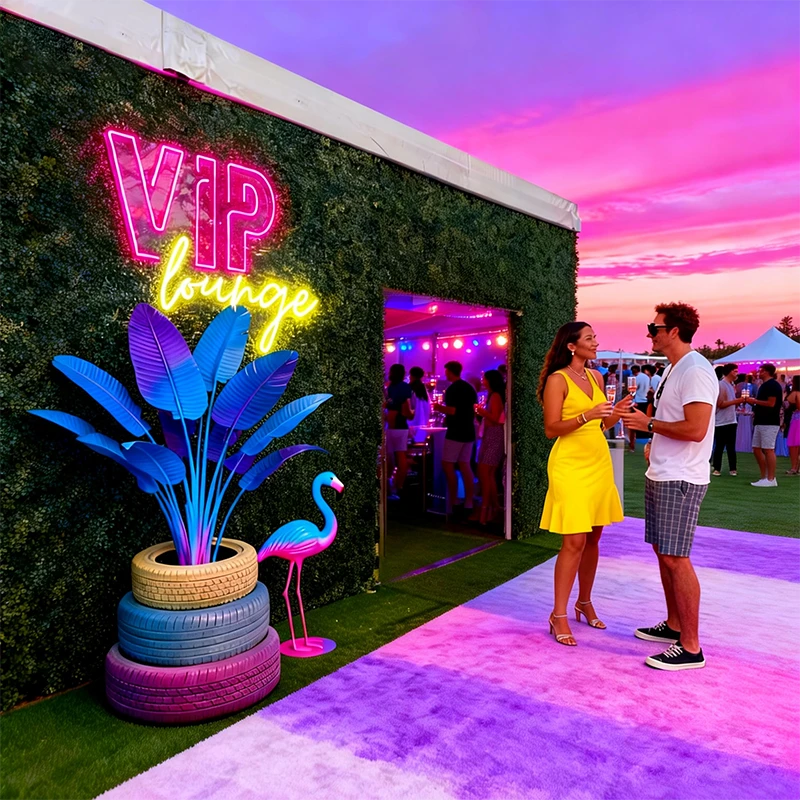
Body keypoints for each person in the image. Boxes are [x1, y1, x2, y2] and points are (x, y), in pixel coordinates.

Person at [623, 302, 717, 671]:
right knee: (665, 553)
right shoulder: (674, 368)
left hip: (681, 477)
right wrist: (654, 441)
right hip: (664, 472)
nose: (650, 334)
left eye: (655, 328)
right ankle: (675, 625)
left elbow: (696, 429)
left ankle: (691, 647)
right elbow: (675, 421)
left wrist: (648, 426)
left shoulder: (695, 370)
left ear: (674, 331)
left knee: (676, 558)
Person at [539, 322, 628, 647]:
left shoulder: (596, 377)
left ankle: (584, 602)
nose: (596, 342)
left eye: (595, 337)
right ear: (572, 346)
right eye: (590, 338)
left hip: (598, 462)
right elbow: (552, 428)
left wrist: (616, 413)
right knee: (574, 541)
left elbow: (600, 425)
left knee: (593, 538)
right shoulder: (557, 379)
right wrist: (586, 415)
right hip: (569, 465)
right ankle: (558, 614)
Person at [433, 361, 478, 516]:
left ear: (450, 371)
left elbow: (452, 411)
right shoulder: (469, 387)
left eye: (446, 371)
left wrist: (438, 407)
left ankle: (453, 501)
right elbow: (473, 408)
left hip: (456, 431)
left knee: (447, 464)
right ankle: (469, 501)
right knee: (465, 464)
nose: (445, 374)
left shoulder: (452, 389)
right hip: (469, 430)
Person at [475, 369, 505, 527]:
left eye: (484, 378)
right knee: (489, 474)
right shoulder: (493, 395)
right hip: (490, 436)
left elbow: (495, 418)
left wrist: (482, 412)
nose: (482, 380)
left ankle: (485, 511)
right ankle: (494, 509)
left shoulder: (495, 396)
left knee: (485, 472)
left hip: (494, 436)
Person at [746, 363, 783, 487]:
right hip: (760, 420)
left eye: (760, 370)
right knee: (756, 449)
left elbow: (771, 403)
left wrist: (755, 401)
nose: (758, 373)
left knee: (768, 449)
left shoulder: (773, 385)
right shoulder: (763, 385)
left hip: (770, 421)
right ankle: (764, 476)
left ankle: (771, 478)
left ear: (766, 372)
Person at [384, 364, 413, 498]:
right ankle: (398, 486)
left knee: (390, 458)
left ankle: (389, 486)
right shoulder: (406, 387)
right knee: (401, 456)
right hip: (402, 425)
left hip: (391, 425)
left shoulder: (390, 388)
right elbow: (407, 407)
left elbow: (389, 405)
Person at [712, 363, 745, 476]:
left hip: (731, 420)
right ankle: (717, 468)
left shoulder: (731, 385)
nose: (737, 374)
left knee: (731, 446)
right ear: (729, 372)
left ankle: (733, 468)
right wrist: (737, 401)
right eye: (735, 371)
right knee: (720, 446)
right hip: (721, 421)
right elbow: (720, 404)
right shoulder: (721, 385)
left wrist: (737, 403)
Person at [628, 364, 651, 451]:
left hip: (637, 402)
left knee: (634, 424)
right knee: (643, 422)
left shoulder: (636, 378)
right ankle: (643, 443)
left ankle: (633, 444)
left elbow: (633, 390)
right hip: (645, 401)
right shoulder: (646, 377)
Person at [407, 366, 431, 439]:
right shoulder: (423, 390)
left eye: (410, 375)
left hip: (411, 422)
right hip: (423, 423)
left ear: (412, 376)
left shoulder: (409, 389)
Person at [785, 376, 800, 475]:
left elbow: (786, 402)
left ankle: (794, 467)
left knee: (794, 444)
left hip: (797, 420)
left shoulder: (795, 393)